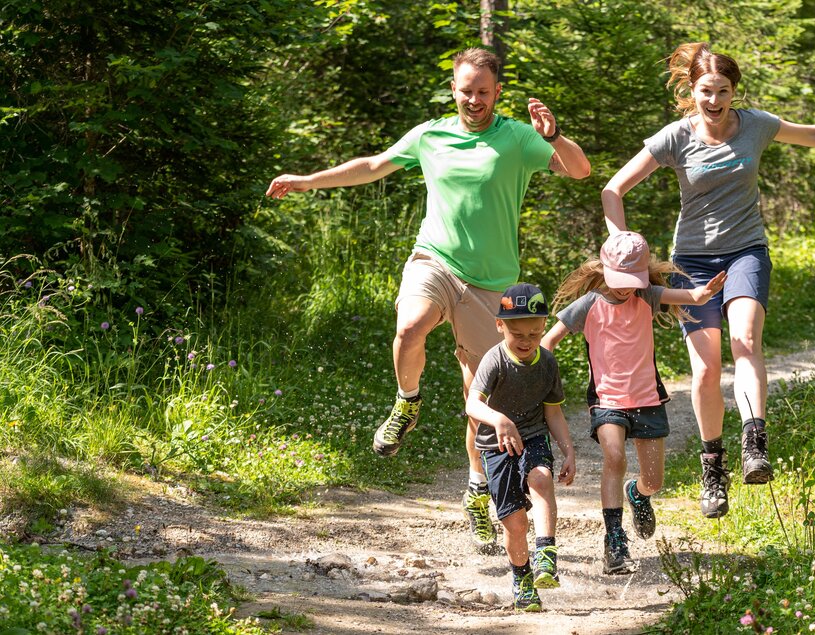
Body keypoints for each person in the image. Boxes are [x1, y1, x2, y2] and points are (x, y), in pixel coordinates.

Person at [265, 48, 590, 550]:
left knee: (478, 399)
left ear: (497, 91)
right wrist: (308, 181)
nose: (474, 99)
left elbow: (580, 171)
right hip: (434, 261)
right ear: (453, 88)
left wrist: (553, 136)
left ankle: (478, 489)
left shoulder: (518, 138)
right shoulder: (431, 134)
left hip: (492, 286)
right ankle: (407, 402)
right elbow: (372, 165)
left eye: (484, 91)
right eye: (466, 90)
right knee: (409, 328)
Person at [601, 42, 815, 518]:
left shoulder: (755, 126)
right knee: (707, 370)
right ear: (692, 90)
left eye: (723, 91)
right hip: (692, 261)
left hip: (747, 251)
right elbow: (613, 189)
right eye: (706, 91)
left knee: (745, 339)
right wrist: (622, 245)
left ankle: (755, 443)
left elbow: (810, 135)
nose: (714, 100)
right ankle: (714, 468)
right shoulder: (675, 137)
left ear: (734, 92)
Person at [541, 232, 725, 574]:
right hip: (607, 399)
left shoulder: (648, 296)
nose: (626, 288)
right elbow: (548, 341)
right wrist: (539, 379)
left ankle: (638, 494)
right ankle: (614, 541)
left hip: (647, 398)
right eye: (620, 280)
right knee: (614, 457)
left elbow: (693, 296)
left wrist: (705, 292)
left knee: (653, 480)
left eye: (633, 280)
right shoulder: (589, 304)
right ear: (606, 270)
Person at [465, 283, 576, 612]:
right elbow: (473, 404)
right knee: (514, 523)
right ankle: (522, 578)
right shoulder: (493, 361)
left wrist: (568, 450)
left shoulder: (547, 363)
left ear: (544, 326)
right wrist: (498, 419)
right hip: (495, 445)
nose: (527, 341)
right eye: (518, 334)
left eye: (534, 333)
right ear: (500, 326)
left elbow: (553, 412)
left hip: (533, 434)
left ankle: (546, 554)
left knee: (542, 478)